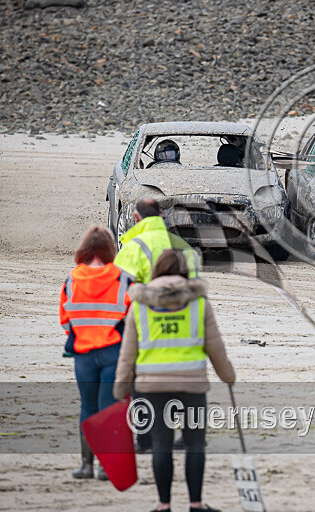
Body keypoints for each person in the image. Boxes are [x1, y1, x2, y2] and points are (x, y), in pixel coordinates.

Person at [114, 250, 235, 512]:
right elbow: (215, 346)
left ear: (156, 271)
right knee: (194, 444)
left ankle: (164, 505)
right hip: (191, 384)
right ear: (184, 272)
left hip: (152, 386)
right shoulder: (199, 303)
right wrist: (228, 375)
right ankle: (196, 503)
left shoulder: (140, 305)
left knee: (161, 444)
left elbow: (128, 352)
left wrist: (121, 384)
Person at [114, 197, 200, 452]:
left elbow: (122, 291)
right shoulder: (181, 245)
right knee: (183, 376)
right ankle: (187, 434)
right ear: (162, 216)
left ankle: (145, 439)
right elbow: (194, 284)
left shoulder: (132, 247)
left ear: (137, 219)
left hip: (146, 321)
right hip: (183, 319)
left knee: (143, 381)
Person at [59, 226, 132, 480]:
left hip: (84, 355)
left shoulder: (72, 279)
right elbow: (134, 319)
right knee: (110, 409)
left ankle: (86, 465)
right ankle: (106, 467)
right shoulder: (123, 279)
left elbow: (65, 320)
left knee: (88, 407)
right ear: (110, 249)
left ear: (85, 248)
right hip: (114, 352)